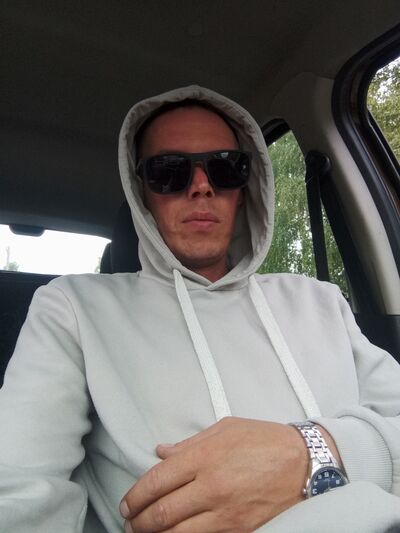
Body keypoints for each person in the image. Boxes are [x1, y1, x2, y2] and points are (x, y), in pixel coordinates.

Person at [0, 85, 399, 533]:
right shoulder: (73, 309)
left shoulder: (319, 300)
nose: (202, 186)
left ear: (244, 188)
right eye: (169, 171)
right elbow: (20, 491)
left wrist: (314, 452)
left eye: (225, 167)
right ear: (142, 193)